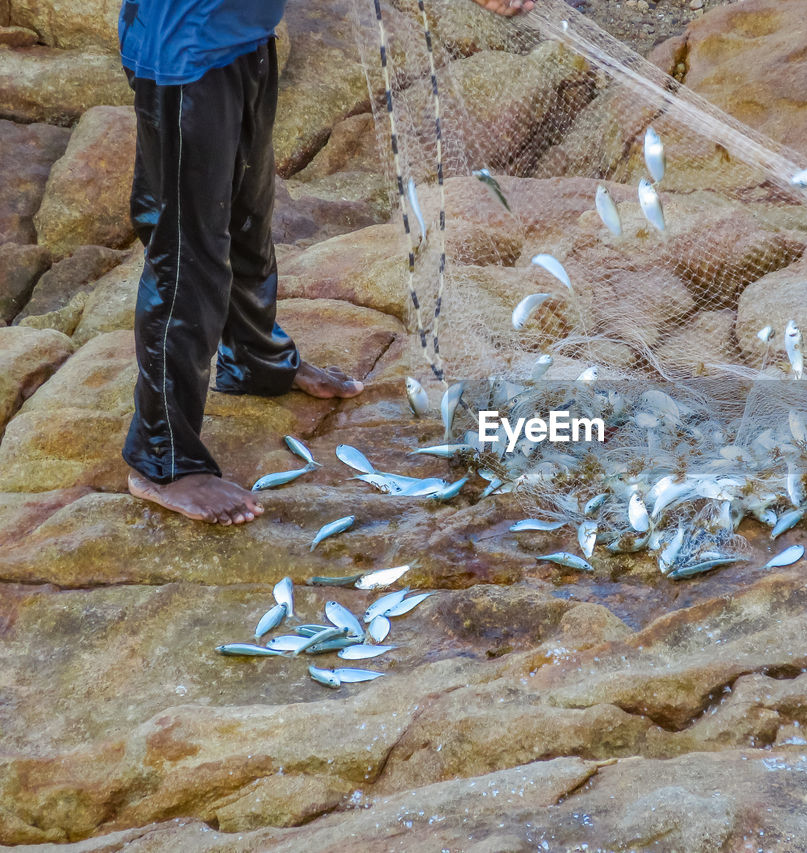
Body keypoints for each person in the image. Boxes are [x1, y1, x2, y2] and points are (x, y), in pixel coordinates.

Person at [117, 0, 533, 527]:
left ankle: (255, 360)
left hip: (243, 37)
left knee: (247, 218)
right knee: (187, 255)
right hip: (182, 52)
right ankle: (161, 462)